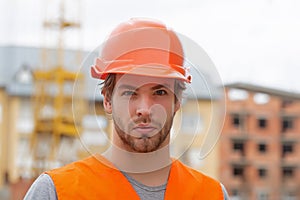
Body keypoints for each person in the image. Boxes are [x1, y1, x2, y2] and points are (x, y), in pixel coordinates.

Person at [24, 18, 229, 200]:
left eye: (159, 93)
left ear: (177, 101)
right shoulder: (57, 192)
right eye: (130, 93)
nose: (145, 109)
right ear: (107, 100)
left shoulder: (212, 195)